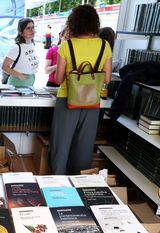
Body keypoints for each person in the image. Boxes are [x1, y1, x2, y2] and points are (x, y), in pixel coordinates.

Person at [49, 5, 112, 175]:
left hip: (67, 99)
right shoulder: (104, 45)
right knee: (84, 146)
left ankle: (57, 183)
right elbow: (107, 78)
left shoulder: (66, 46)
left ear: (74, 23)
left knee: (61, 145)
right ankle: (79, 184)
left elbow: (59, 79)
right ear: (94, 23)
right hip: (92, 100)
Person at [2, 18, 38, 87]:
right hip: (18, 83)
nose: (32, 30)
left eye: (33, 27)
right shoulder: (16, 48)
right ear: (21, 33)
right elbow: (4, 66)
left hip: (30, 82)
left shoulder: (32, 45)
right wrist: (19, 75)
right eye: (28, 28)